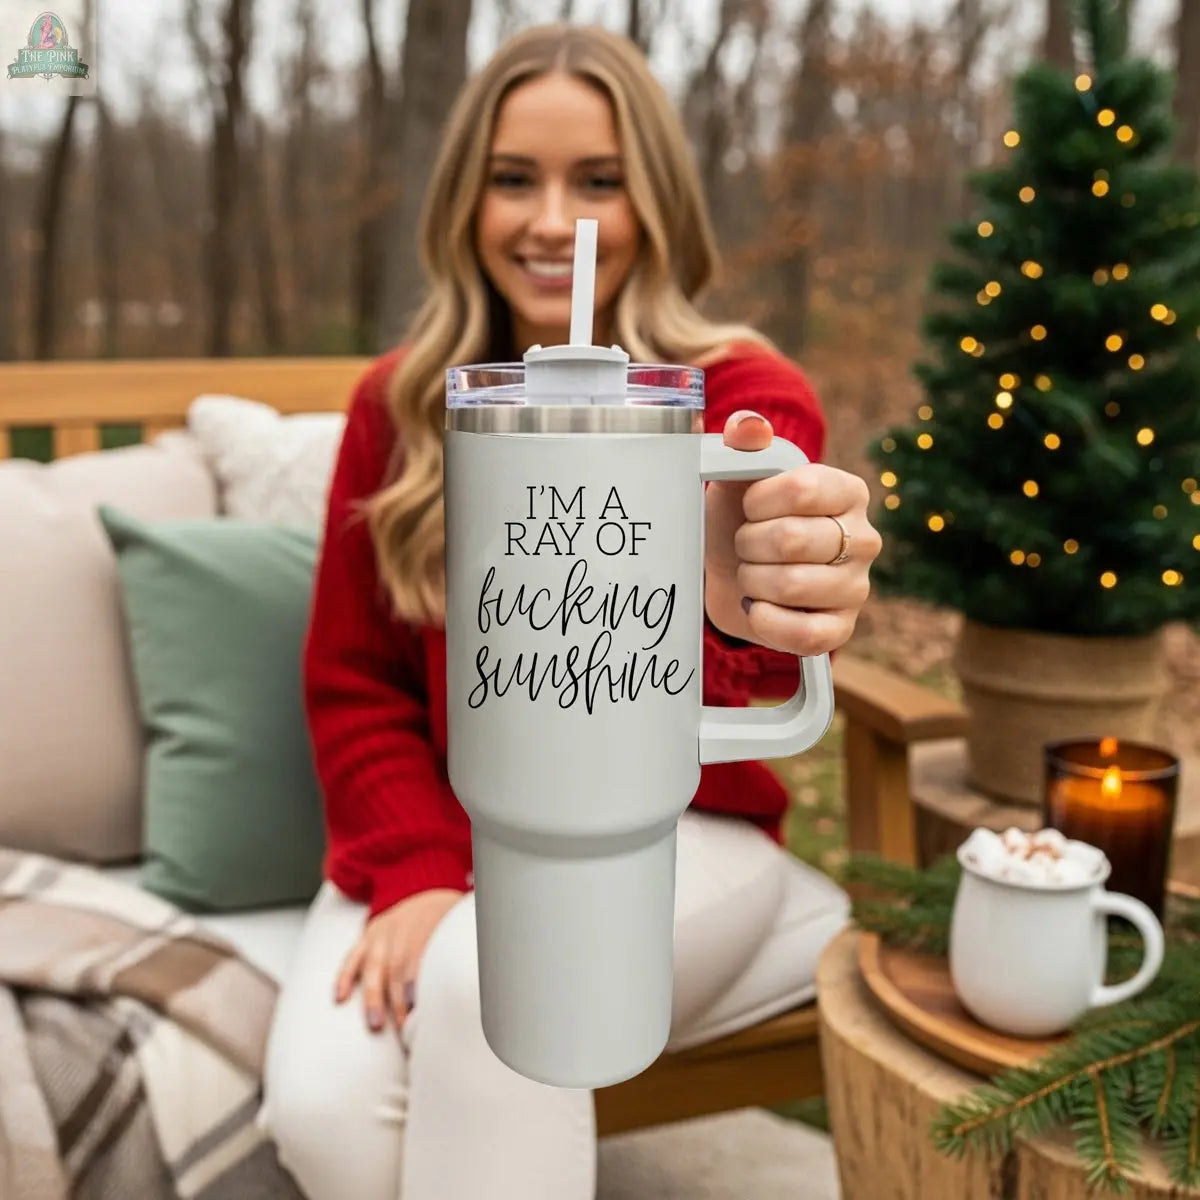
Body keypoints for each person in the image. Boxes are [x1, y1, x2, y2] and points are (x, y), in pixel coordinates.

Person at [261, 22, 881, 1200]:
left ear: (652, 199)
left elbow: (759, 606)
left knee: (473, 982)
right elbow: (352, 682)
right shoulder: (400, 406)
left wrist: (738, 600)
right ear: (463, 201)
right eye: (514, 179)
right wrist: (426, 866)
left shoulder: (735, 398)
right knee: (327, 1116)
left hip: (675, 830)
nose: (553, 220)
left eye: (596, 180)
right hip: (454, 826)